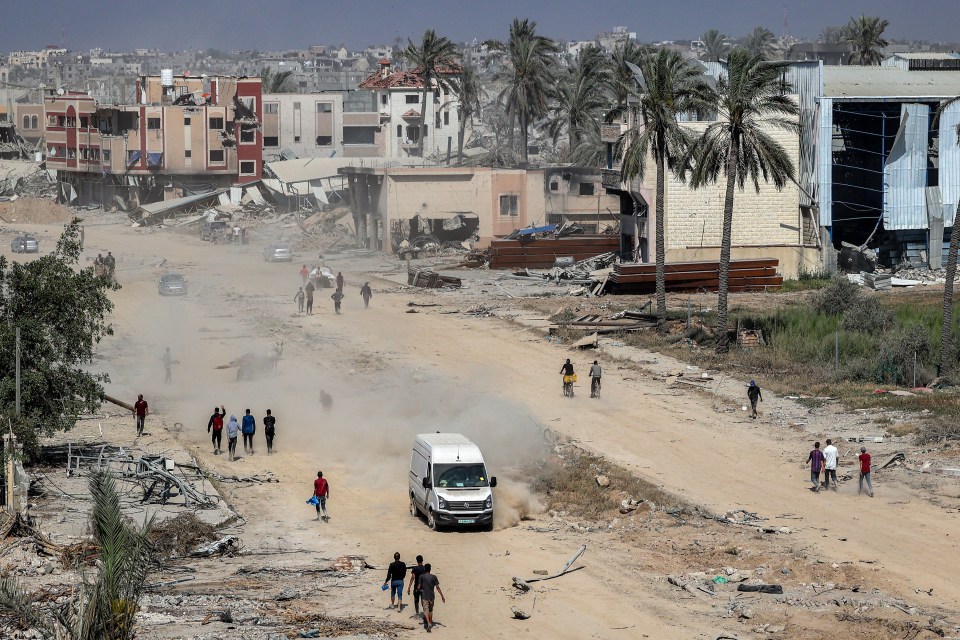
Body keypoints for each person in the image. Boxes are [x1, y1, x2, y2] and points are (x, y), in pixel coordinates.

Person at [419, 563, 445, 632]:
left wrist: (418, 589)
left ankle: (428, 623)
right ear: (430, 569)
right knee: (430, 610)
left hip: (425, 596)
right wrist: (442, 596)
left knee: (425, 610)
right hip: (432, 597)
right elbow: (437, 587)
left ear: (425, 569)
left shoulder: (422, 576)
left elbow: (419, 586)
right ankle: (430, 622)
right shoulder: (434, 577)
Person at [407, 554, 427, 619]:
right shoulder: (425, 568)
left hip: (416, 587)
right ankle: (425, 614)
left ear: (417, 561)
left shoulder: (415, 568)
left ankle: (417, 614)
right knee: (423, 601)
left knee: (416, 601)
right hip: (423, 587)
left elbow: (412, 578)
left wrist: (409, 587)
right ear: (422, 560)